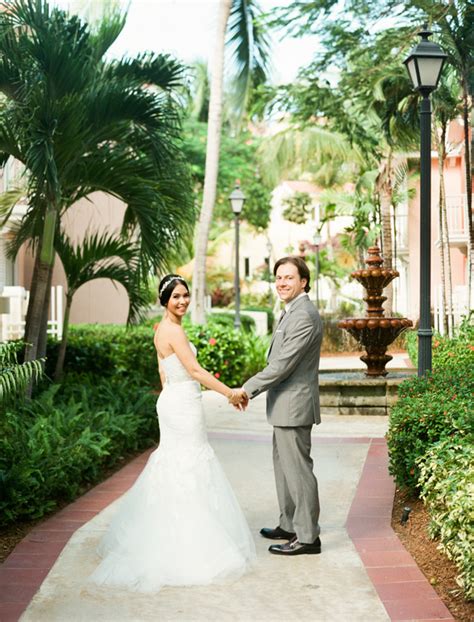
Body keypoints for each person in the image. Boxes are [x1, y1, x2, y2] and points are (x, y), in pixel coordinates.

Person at [90, 274, 254, 592]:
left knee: (177, 462)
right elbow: (194, 370)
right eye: (175, 296)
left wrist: (174, 393)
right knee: (189, 462)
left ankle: (178, 530)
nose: (182, 301)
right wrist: (230, 394)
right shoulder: (172, 331)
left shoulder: (164, 330)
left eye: (185, 295)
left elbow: (162, 369)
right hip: (182, 405)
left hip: (175, 400)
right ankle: (188, 541)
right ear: (164, 300)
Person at [235, 256, 323, 556]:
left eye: (289, 278)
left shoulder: (304, 315)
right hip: (284, 405)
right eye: (279, 278)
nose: (282, 283)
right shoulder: (291, 311)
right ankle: (289, 524)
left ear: (303, 281)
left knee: (298, 472)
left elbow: (282, 364)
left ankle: (308, 538)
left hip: (295, 406)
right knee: (284, 470)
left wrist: (246, 389)